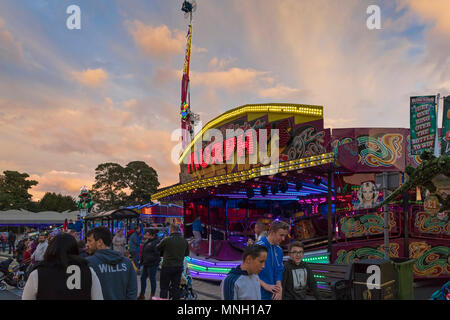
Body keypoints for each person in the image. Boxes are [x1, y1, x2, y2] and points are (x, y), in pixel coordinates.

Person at [22, 233, 103, 300]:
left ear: (51, 248)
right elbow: (98, 297)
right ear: (75, 249)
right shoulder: (88, 271)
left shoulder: (37, 273)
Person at [86, 226, 137, 300]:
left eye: (89, 241)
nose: (87, 244)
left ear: (100, 242)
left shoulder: (88, 263)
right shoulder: (127, 262)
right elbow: (132, 291)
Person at [256, 220, 289, 300]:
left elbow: (279, 271)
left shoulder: (279, 250)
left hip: (273, 295)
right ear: (272, 232)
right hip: (258, 294)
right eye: (281, 235)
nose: (283, 239)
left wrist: (279, 288)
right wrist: (265, 285)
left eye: (285, 236)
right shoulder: (258, 247)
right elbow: (249, 272)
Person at [157, 224, 190, 300]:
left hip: (167, 266)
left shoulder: (167, 240)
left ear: (171, 230)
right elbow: (186, 254)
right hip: (178, 267)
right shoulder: (184, 241)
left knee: (164, 287)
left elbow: (158, 248)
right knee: (176, 287)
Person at [138, 229, 162, 300]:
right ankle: (142, 294)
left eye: (148, 234)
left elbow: (157, 254)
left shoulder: (156, 242)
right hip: (145, 263)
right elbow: (144, 252)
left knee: (152, 280)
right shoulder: (148, 241)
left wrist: (151, 260)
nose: (146, 235)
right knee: (142, 278)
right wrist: (141, 261)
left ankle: (152, 295)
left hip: (152, 264)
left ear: (153, 235)